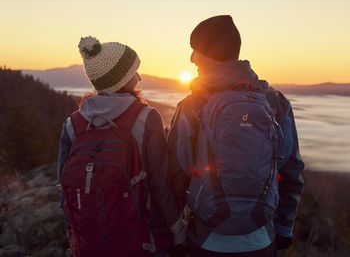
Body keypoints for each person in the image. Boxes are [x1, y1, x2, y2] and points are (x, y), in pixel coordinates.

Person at [167, 15, 304, 256]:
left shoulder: (191, 106)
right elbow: (291, 169)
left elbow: (176, 175)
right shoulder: (275, 102)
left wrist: (173, 232)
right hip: (261, 237)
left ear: (211, 53)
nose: (191, 58)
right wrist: (284, 227)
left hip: (206, 239)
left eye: (196, 50)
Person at [57, 36, 185, 257]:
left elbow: (64, 187)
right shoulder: (146, 118)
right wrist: (178, 231)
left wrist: (75, 235)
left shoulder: (73, 124)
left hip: (89, 243)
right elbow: (160, 185)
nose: (139, 77)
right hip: (142, 240)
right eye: (133, 73)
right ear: (121, 80)